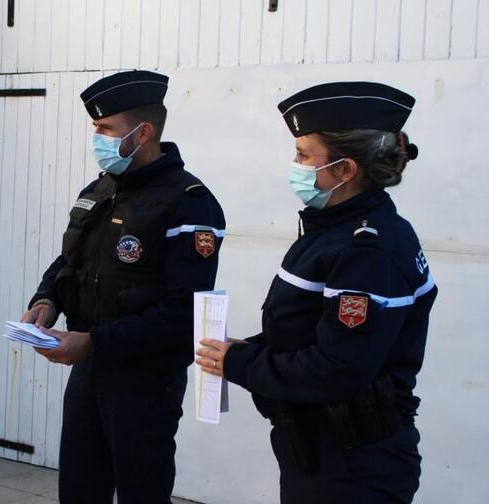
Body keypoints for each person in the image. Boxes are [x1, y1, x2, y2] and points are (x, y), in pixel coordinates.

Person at [196, 82, 436, 503]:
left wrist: (240, 361)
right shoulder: (333, 230)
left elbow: (337, 368)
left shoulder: (366, 250)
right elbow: (310, 331)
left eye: (304, 155)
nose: (295, 165)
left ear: (345, 170)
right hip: (319, 450)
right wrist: (246, 350)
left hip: (352, 466)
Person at [21, 70, 226, 503]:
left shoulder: (188, 202)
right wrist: (46, 298)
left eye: (105, 129)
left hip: (144, 380)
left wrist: (94, 341)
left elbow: (183, 310)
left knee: (141, 492)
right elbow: (69, 260)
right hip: (89, 369)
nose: (97, 139)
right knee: (79, 489)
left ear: (143, 132)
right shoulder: (100, 189)